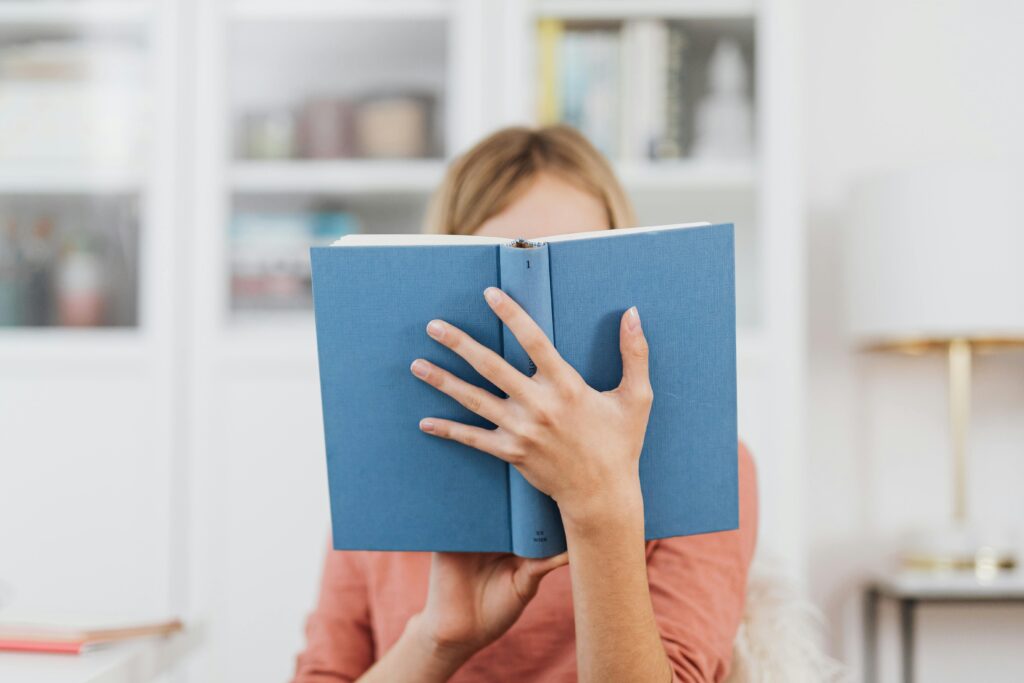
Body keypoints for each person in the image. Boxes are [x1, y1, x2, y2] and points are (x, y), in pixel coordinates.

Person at [293, 125, 758, 683]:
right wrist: (437, 639)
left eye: (574, 269)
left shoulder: (709, 464)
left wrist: (599, 506)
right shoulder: (382, 468)